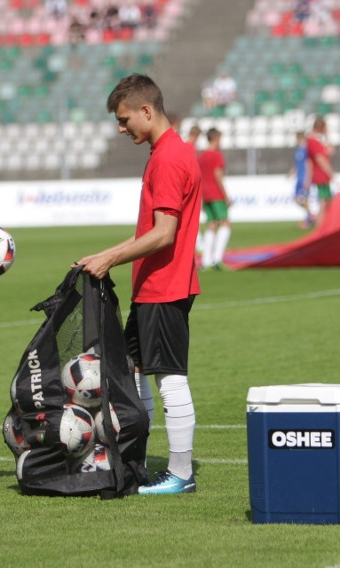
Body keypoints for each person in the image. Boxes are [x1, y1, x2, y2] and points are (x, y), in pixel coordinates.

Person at [76, 74, 200, 495]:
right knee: (133, 371)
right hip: (153, 286)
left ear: (147, 111)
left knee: (169, 376)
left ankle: (181, 474)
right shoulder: (167, 151)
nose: (121, 127)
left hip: (165, 286)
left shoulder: (167, 158)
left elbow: (164, 234)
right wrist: (103, 255)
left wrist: (110, 257)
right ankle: (138, 463)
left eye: (125, 118)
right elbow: (151, 229)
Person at [198, 128, 231, 270]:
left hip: (205, 195)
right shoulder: (216, 155)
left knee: (211, 224)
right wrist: (226, 195)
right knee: (225, 223)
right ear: (216, 138)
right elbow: (218, 175)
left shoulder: (202, 156)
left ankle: (206, 261)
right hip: (216, 194)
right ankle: (217, 259)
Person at [306, 116, 334, 229]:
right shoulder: (313, 141)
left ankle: (322, 225)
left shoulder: (316, 140)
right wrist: (331, 173)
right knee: (324, 201)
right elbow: (320, 159)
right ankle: (320, 227)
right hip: (321, 174)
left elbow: (330, 151)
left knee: (327, 201)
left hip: (321, 174)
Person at [288, 131, 313, 228]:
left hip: (304, 178)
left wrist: (308, 178)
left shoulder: (306, 150)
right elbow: (298, 164)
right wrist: (292, 171)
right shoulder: (298, 150)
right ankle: (310, 216)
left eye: (297, 138)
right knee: (297, 199)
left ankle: (309, 219)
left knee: (303, 199)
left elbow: (309, 164)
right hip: (299, 178)